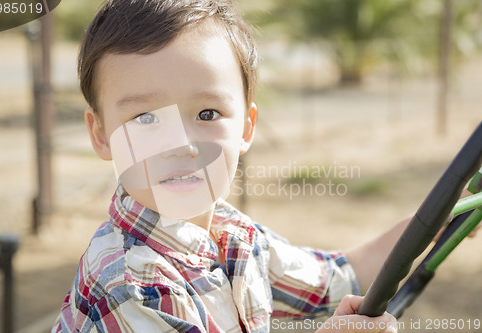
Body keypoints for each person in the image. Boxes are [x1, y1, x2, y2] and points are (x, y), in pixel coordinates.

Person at [52, 0, 403, 332]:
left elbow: (333, 280)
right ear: (100, 134)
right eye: (145, 118)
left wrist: (430, 223)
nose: (181, 145)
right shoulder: (131, 284)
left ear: (246, 128)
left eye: (207, 114)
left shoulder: (232, 234)